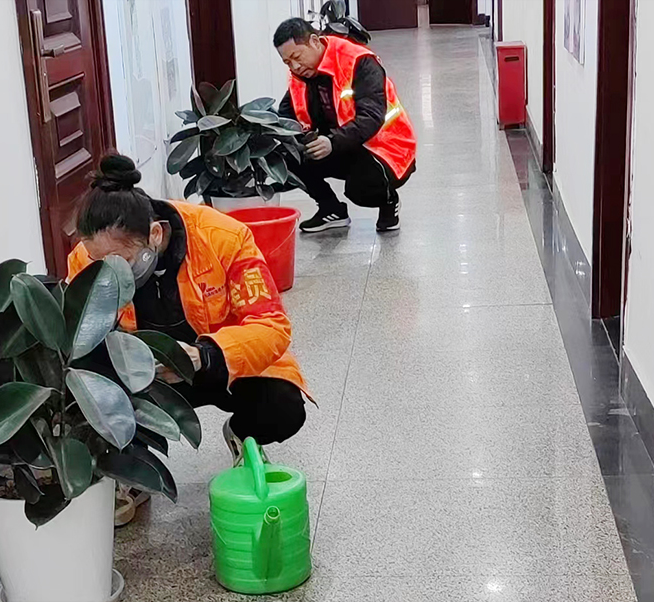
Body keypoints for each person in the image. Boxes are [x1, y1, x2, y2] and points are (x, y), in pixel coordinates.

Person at [67, 154, 310, 463]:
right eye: (97, 261)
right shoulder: (85, 260)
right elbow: (79, 340)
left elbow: (271, 325)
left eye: (121, 260)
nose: (110, 272)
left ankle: (241, 432)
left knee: (283, 406)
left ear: (155, 234)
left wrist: (204, 355)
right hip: (147, 377)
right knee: (89, 401)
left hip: (217, 364)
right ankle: (130, 468)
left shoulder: (222, 237)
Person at [274, 18, 417, 233]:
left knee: (361, 189)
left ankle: (388, 201)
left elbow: (371, 117)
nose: (294, 66)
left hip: (385, 148)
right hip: (343, 143)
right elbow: (286, 114)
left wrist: (332, 142)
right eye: (287, 62)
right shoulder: (301, 75)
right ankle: (331, 209)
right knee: (290, 156)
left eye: (297, 57)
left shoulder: (359, 62)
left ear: (314, 42)